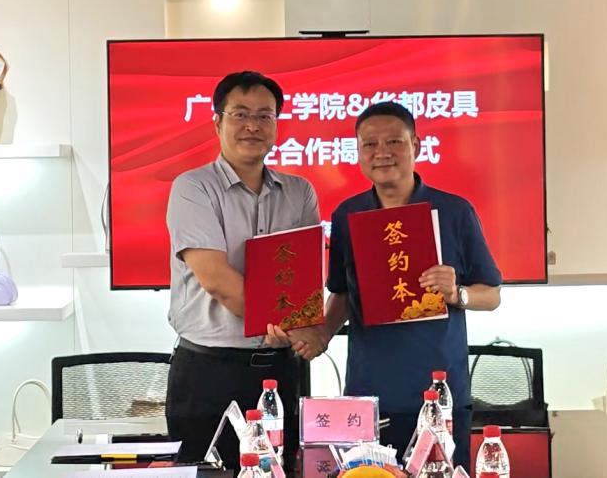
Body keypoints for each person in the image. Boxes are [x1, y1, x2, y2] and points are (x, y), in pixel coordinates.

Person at [268, 101, 502, 467]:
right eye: (370, 144)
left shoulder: (455, 211)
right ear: (358, 152)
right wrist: (320, 335)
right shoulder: (347, 215)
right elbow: (342, 293)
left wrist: (458, 293)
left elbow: (492, 295)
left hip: (440, 393)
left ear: (416, 146)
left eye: (394, 142)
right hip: (369, 392)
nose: (382, 153)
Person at [165, 70, 322, 469]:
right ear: (217, 122)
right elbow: (217, 280)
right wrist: (297, 328)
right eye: (240, 114)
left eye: (265, 115)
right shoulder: (193, 188)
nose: (253, 125)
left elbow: (303, 277)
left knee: (281, 471)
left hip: (280, 371)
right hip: (209, 373)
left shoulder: (300, 192)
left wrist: (306, 327)